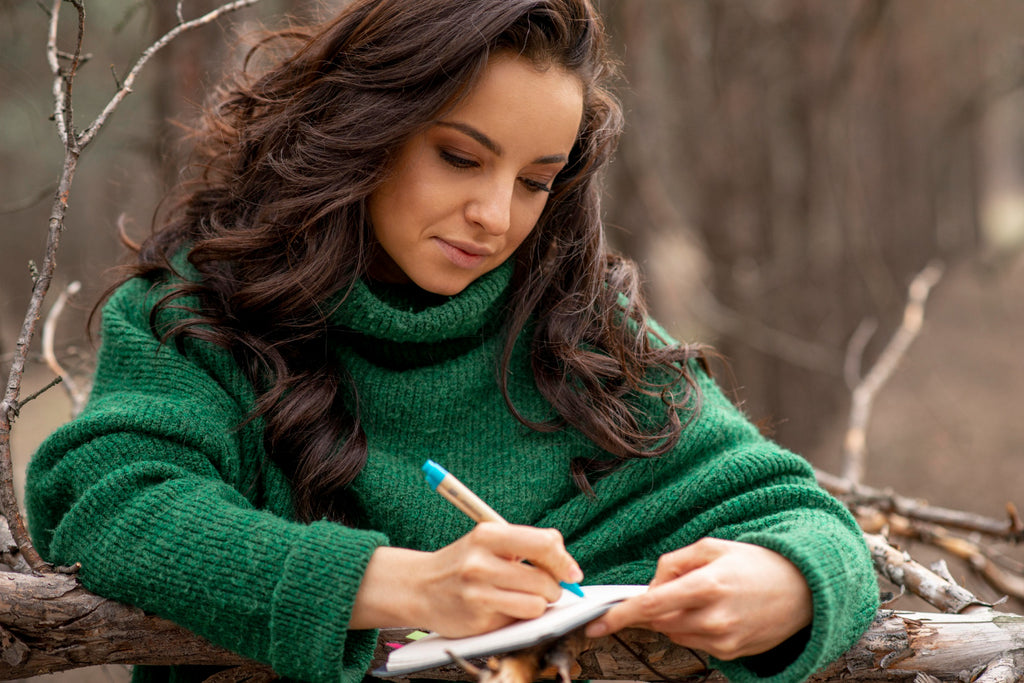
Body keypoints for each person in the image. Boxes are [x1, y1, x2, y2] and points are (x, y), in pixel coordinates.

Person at [25, 1, 879, 682]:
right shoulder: (205, 305)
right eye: (462, 158)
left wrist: (790, 582)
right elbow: (106, 503)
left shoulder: (579, 324)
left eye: (536, 180)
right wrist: (400, 583)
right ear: (368, 125)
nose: (496, 215)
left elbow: (809, 522)